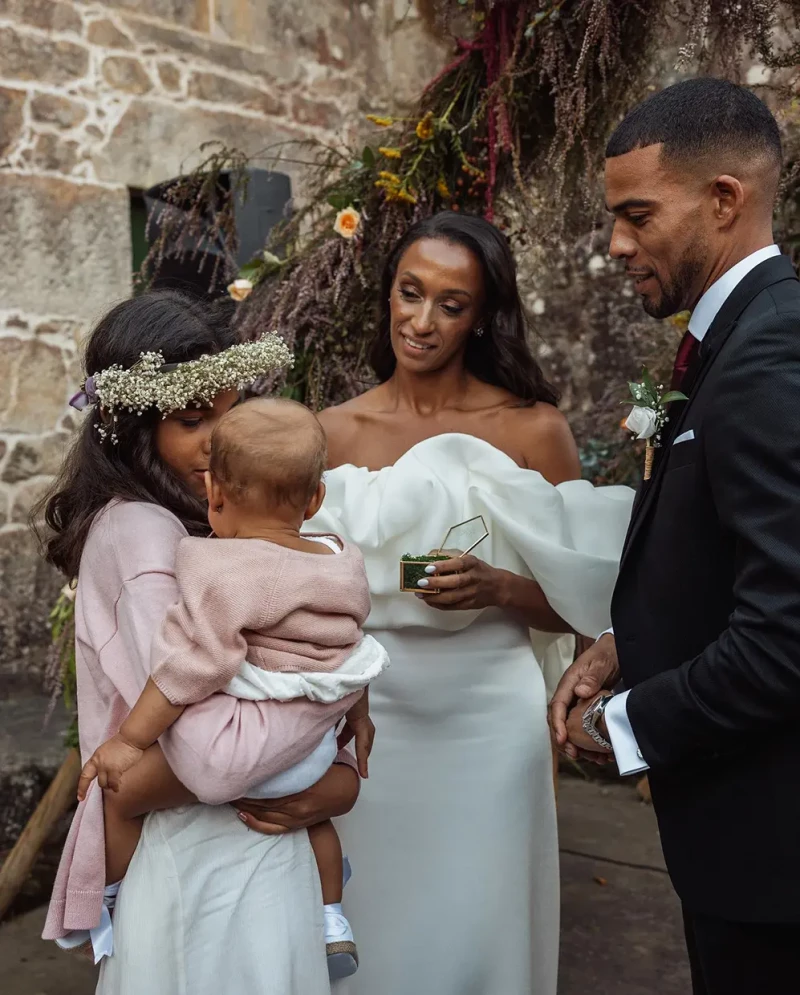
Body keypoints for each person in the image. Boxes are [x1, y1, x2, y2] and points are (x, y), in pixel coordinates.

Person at [312, 211, 634, 995]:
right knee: (374, 925)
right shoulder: (330, 431)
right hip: (371, 718)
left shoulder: (531, 429)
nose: (421, 321)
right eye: (409, 293)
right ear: (387, 293)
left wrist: (501, 588)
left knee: (477, 924)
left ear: (483, 315)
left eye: (450, 305)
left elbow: (600, 612)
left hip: (490, 720)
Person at [550, 78, 800, 994]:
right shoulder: (738, 337)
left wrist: (625, 726)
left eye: (637, 215)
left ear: (724, 199)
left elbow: (787, 635)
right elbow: (733, 561)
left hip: (774, 864)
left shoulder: (772, 354)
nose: (617, 244)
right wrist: (630, 643)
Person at [40, 290, 362, 994]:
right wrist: (340, 701)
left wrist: (332, 765)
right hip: (204, 862)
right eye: (192, 419)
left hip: (245, 846)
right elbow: (215, 759)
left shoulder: (213, 526)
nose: (221, 436)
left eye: (232, 408)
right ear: (133, 428)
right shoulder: (144, 537)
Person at [75, 396, 389, 982]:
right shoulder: (340, 558)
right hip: (317, 750)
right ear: (316, 499)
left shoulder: (220, 570)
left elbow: (188, 670)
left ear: (217, 497)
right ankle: (332, 920)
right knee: (317, 824)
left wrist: (128, 740)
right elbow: (350, 647)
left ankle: (108, 896)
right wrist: (356, 713)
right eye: (191, 420)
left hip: (241, 777)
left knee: (117, 800)